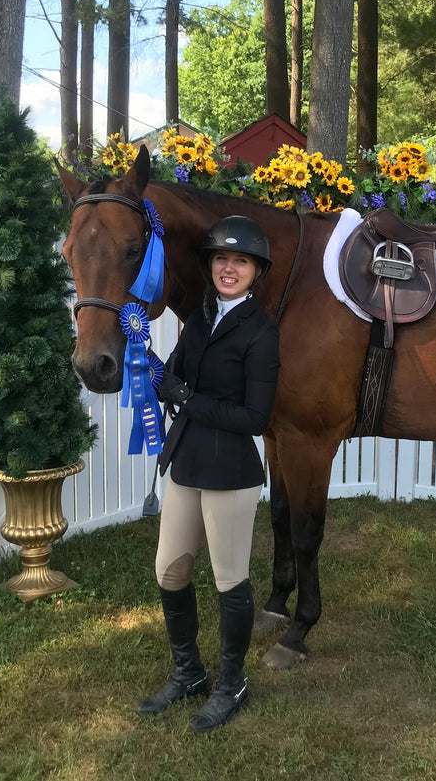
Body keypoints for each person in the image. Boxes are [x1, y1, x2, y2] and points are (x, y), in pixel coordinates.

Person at [140, 215, 280, 733]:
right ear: (210, 264)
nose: (229, 267)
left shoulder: (262, 334)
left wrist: (188, 400)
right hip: (184, 461)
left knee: (229, 580)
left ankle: (231, 682)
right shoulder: (197, 321)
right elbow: (172, 379)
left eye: (240, 261)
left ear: (255, 272)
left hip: (230, 470)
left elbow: (254, 418)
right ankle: (188, 672)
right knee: (170, 571)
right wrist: (148, 366)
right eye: (222, 258)